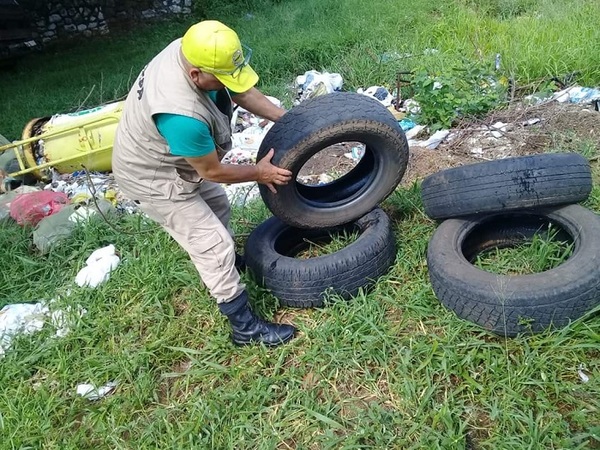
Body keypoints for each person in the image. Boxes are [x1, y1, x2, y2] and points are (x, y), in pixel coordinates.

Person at [112, 20, 296, 346]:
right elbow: (211, 171)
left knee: (217, 205)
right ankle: (245, 329)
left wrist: (288, 118)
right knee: (213, 246)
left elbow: (241, 91)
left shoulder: (194, 48)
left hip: (172, 155)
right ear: (196, 74)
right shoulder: (181, 116)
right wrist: (259, 172)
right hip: (151, 177)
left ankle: (230, 268)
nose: (226, 84)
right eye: (220, 79)